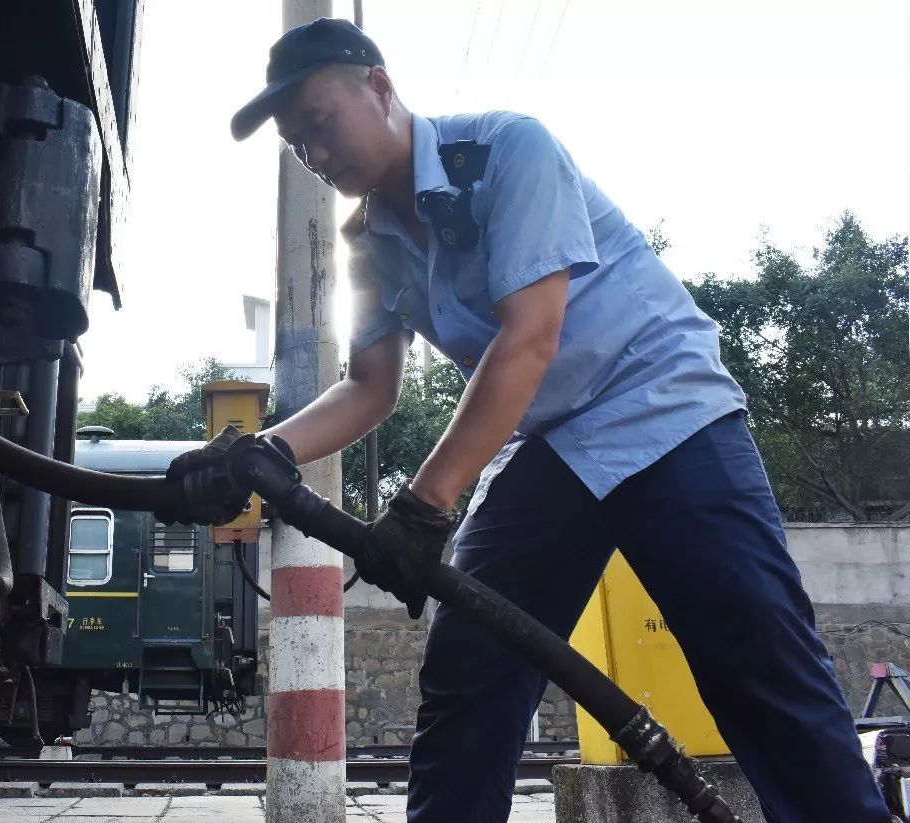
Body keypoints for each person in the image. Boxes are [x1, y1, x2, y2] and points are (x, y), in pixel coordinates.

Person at [159, 17, 892, 823]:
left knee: (760, 657)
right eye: (299, 145)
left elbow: (530, 337)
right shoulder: (373, 243)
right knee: (471, 664)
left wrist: (423, 505)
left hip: (663, 405)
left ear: (378, 86)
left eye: (321, 125)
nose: (317, 156)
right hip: (550, 446)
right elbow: (370, 386)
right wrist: (255, 452)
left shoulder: (510, 151)